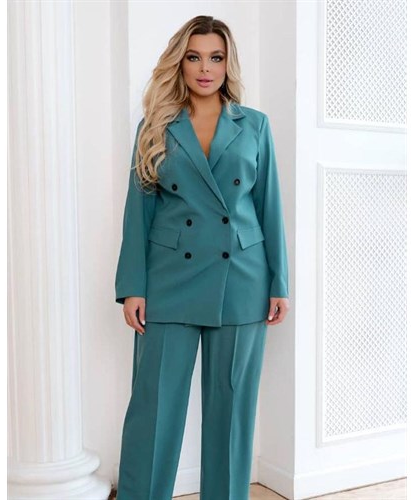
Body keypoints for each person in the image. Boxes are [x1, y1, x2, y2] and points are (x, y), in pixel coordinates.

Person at [114, 15, 290, 500]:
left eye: (215, 57)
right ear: (181, 62)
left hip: (242, 279)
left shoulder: (255, 125)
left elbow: (269, 207)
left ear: (228, 63)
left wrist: (279, 281)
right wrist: (133, 286)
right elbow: (138, 211)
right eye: (194, 57)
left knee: (231, 416)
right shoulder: (155, 126)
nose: (205, 68)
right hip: (169, 279)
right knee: (153, 411)